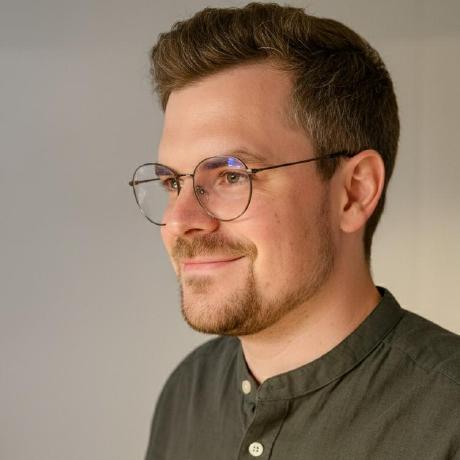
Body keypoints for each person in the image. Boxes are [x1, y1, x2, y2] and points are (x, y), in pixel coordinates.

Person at [129, 3, 460, 459]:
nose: (181, 220)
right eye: (172, 182)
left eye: (231, 175)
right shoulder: (186, 394)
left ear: (354, 192)